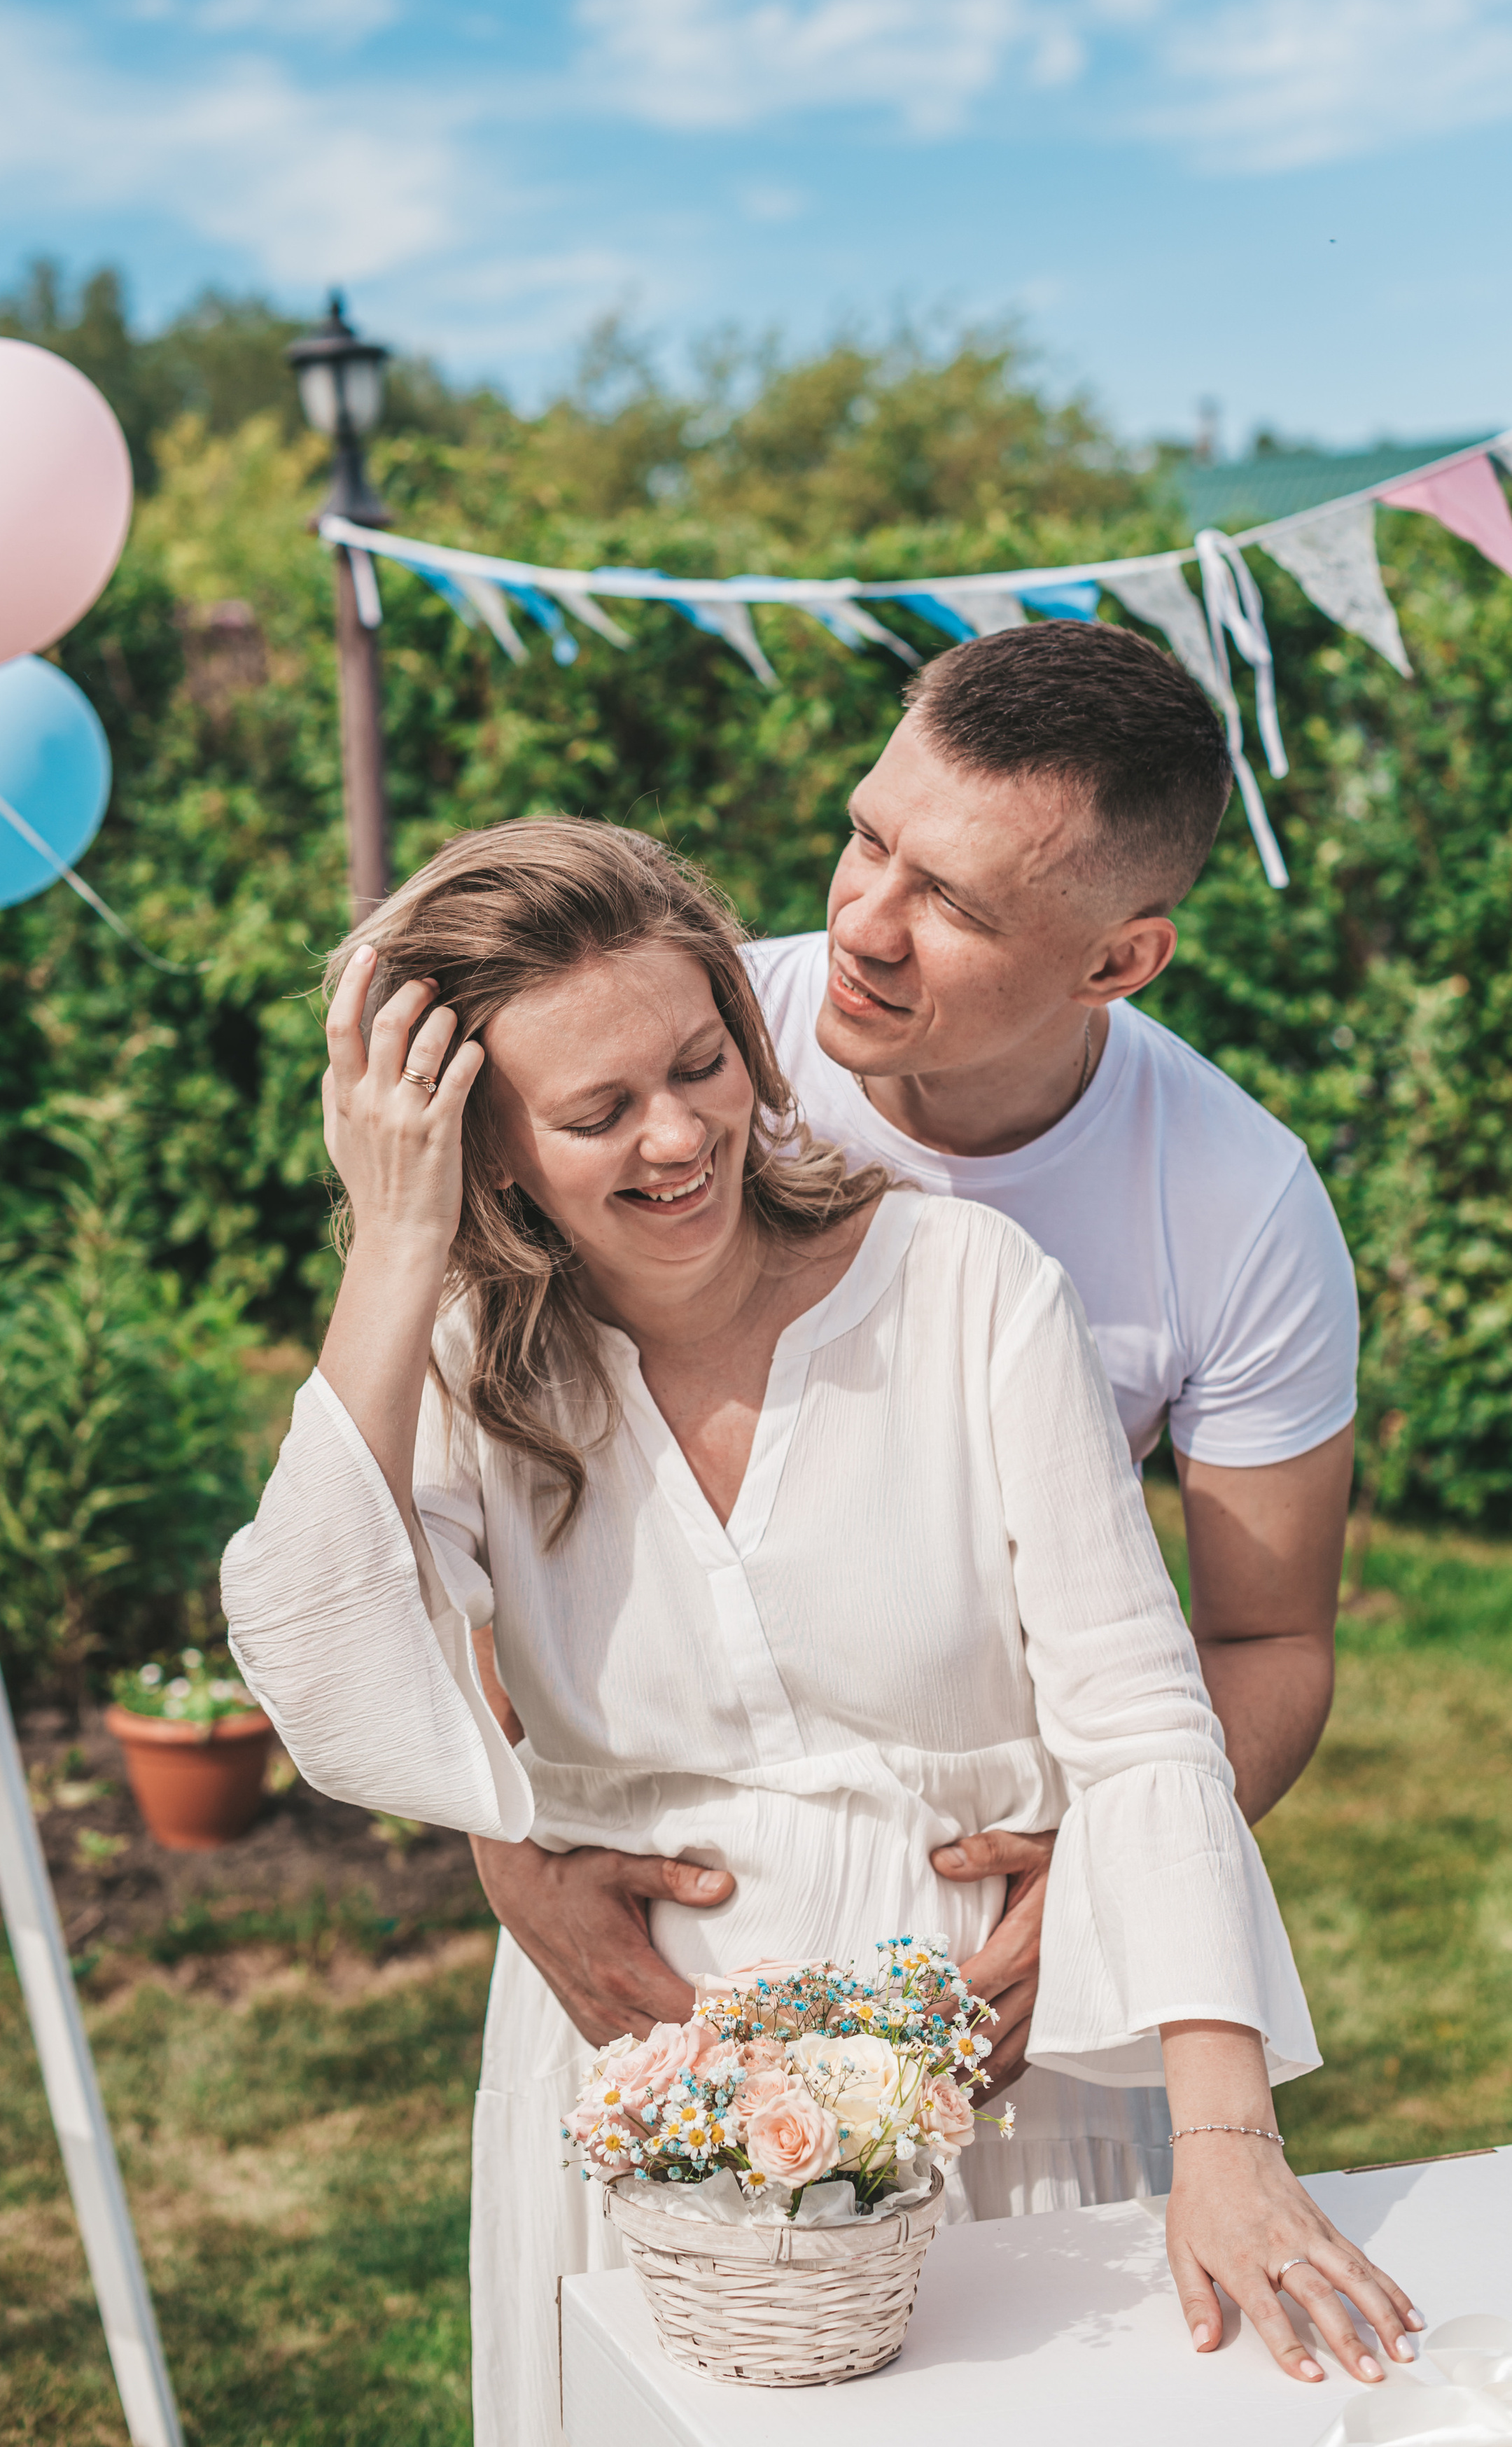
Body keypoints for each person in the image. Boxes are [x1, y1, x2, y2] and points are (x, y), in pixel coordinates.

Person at [221, 820, 1413, 2447]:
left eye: (700, 1063)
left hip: (995, 2077)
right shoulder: (461, 1363)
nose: (675, 1137)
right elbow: (320, 1665)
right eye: (594, 1113)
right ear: (485, 1150)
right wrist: (397, 1241)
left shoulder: (969, 1290)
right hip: (640, 2103)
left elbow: (1142, 1720)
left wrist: (1225, 2146)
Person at [472, 620, 1357, 2128]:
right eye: (866, 839)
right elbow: (461, 1481)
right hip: (665, 1936)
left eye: (946, 899)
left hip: (990, 1963)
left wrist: (1102, 1884)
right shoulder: (680, 1055)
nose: (864, 924)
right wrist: (511, 1857)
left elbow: (1265, 1637)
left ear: (1117, 960)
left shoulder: (1236, 1208)